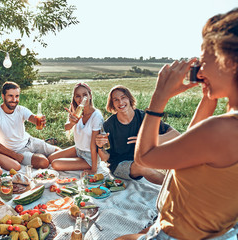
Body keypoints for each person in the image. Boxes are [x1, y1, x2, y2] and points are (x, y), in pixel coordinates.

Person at [117, 8, 238, 240]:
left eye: (204, 60)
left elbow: (144, 157)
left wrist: (159, 98)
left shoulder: (223, 130)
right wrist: (208, 98)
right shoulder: (225, 129)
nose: (200, 70)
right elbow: (193, 145)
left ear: (230, 62)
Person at [95, 85, 180, 184]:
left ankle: (185, 182)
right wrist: (100, 147)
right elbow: (106, 158)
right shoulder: (108, 125)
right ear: (112, 104)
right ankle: (176, 188)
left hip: (145, 158)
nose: (121, 102)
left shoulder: (144, 117)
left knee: (173, 151)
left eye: (123, 97)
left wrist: (147, 139)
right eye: (116, 100)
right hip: (120, 165)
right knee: (141, 167)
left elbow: (176, 134)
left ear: (130, 99)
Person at [0, 81, 59, 169]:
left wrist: (39, 121)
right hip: (17, 151)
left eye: (17, 96)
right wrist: (14, 155)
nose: (14, 100)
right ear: (3, 96)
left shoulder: (21, 109)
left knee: (59, 152)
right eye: (10, 96)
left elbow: (33, 118)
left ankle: (43, 149)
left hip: (30, 141)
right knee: (43, 162)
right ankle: (40, 153)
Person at [48, 83, 103, 174]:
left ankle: (82, 163)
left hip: (89, 156)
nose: (81, 99)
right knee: (50, 158)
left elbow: (94, 145)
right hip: (78, 149)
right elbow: (66, 127)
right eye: (78, 96)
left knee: (55, 164)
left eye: (85, 95)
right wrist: (72, 122)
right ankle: (76, 161)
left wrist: (93, 169)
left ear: (90, 96)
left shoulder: (96, 116)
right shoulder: (77, 112)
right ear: (74, 98)